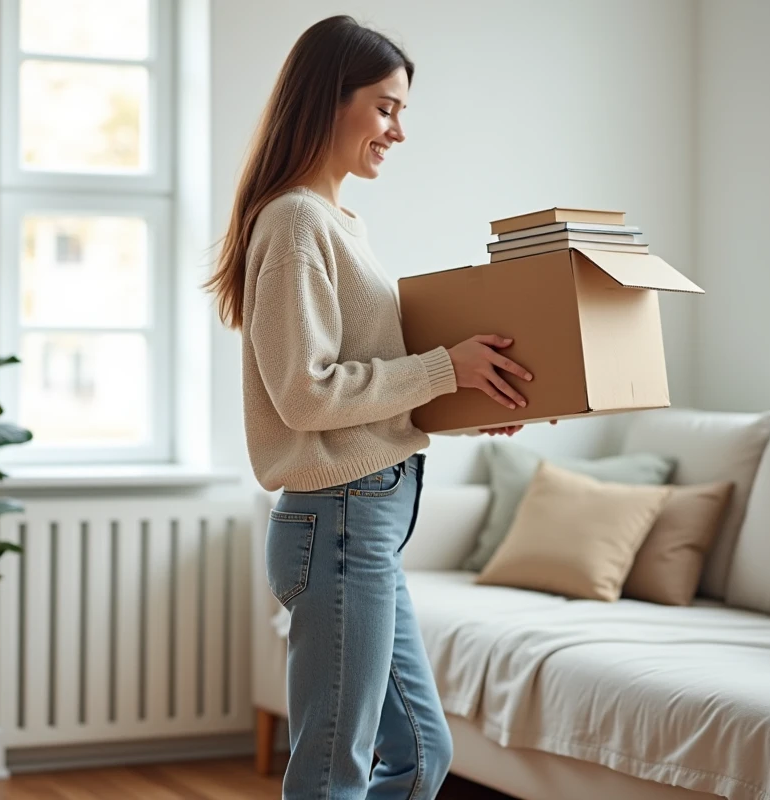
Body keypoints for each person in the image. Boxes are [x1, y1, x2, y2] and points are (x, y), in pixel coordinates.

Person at [204, 15, 541, 798]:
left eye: (401, 113)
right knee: (332, 773)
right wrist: (439, 370)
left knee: (421, 757)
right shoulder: (294, 222)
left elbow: (368, 386)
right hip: (341, 519)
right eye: (386, 108)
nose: (397, 131)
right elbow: (307, 392)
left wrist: (463, 392)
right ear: (330, 100)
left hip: (367, 523)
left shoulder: (337, 222)